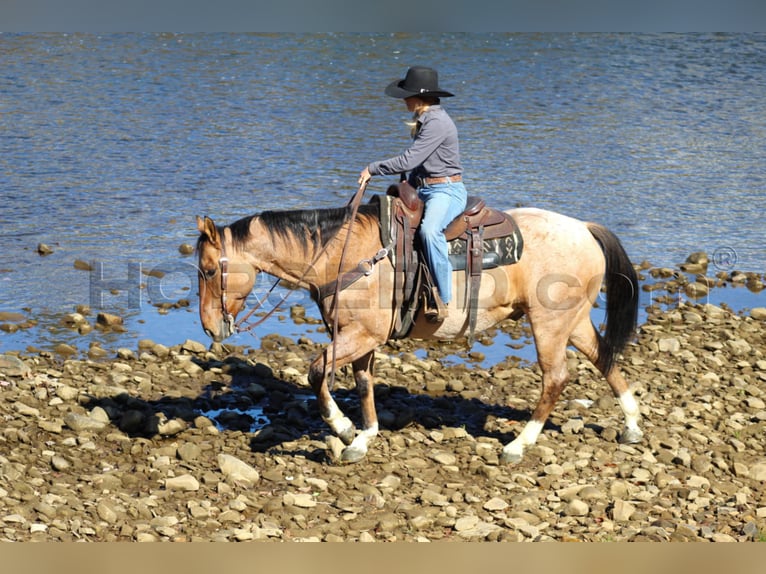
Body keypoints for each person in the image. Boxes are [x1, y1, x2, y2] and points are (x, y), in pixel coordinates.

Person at [359, 66, 467, 322]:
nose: (403, 101)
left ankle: (444, 298)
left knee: (430, 231)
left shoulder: (437, 122)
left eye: (406, 95)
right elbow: (422, 163)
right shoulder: (427, 119)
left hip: (446, 190)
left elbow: (409, 159)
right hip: (428, 187)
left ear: (418, 98)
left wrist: (372, 169)